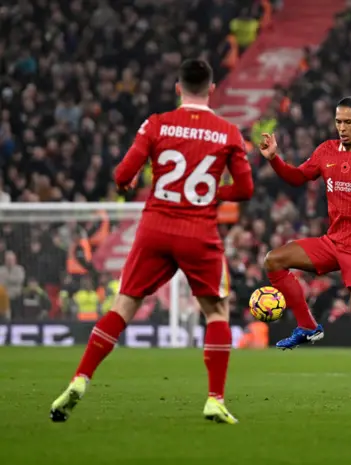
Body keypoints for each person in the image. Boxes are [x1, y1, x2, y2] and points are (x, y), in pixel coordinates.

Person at [50, 59, 254, 424]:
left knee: (123, 305)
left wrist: (126, 183)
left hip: (155, 227)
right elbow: (246, 189)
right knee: (216, 313)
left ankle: (81, 377)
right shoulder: (228, 132)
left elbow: (122, 175)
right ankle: (215, 399)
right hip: (199, 231)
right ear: (211, 89)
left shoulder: (157, 124)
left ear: (178, 88)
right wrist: (211, 191)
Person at [259, 97, 351, 402]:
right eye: (338, 122)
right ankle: (307, 326)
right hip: (332, 242)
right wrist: (274, 159)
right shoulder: (325, 151)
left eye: (348, 122)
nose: (341, 128)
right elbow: (297, 177)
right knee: (274, 261)